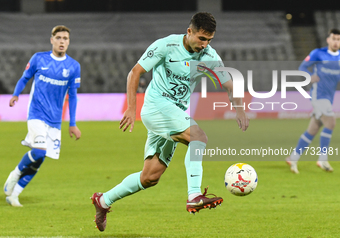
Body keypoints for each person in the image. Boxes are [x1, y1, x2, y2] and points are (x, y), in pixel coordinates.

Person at [91, 12, 249, 232]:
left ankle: (103, 200)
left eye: (209, 40)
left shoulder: (208, 55)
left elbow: (230, 84)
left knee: (150, 177)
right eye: (201, 39)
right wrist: (131, 108)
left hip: (173, 112)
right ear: (189, 32)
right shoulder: (166, 46)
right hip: (157, 106)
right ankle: (194, 194)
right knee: (199, 136)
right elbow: (135, 72)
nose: (205, 44)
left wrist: (240, 109)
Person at [3, 25, 81, 206]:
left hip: (55, 120)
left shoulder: (73, 67)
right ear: (52, 40)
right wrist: (16, 94)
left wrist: (73, 123)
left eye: (66, 39)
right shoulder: (39, 59)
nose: (62, 41)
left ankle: (14, 195)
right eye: (59, 38)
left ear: (69, 42)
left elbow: (73, 96)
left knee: (39, 160)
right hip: (36, 113)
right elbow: (24, 78)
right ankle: (14, 174)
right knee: (39, 151)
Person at [286, 28, 340, 174]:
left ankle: (293, 157)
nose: (336, 42)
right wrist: (310, 76)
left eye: (338, 39)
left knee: (313, 129)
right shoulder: (318, 53)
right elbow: (302, 66)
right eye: (333, 38)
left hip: (328, 97)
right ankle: (322, 159)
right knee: (331, 122)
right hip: (318, 95)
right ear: (328, 40)